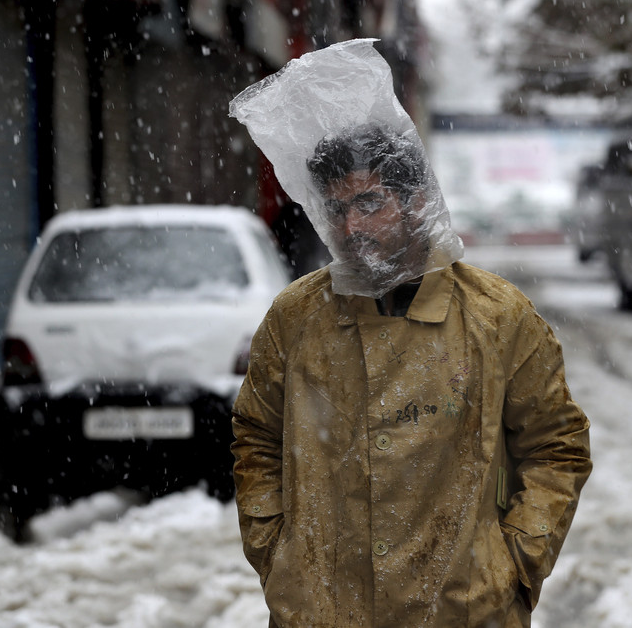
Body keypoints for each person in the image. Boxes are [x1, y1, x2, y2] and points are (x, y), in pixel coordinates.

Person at [230, 122, 592, 627]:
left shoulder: (497, 316)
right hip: (321, 615)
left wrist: (514, 562)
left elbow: (556, 447)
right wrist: (277, 554)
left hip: (463, 613)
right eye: (336, 209)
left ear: (418, 201)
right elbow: (257, 439)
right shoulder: (296, 318)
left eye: (370, 203)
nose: (351, 226)